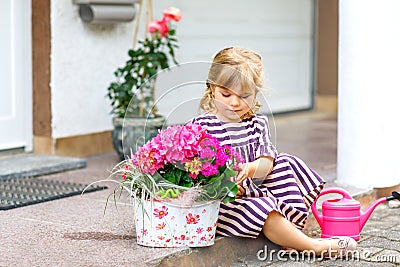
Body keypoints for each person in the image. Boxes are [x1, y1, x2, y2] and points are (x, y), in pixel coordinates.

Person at [190, 47, 357, 257]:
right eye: (226, 94)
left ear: (256, 93)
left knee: (286, 162)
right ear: (212, 88)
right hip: (227, 203)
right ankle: (313, 246)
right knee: (263, 209)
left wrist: (250, 168)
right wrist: (224, 184)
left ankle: (291, 230)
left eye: (243, 96)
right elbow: (195, 174)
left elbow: (267, 163)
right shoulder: (200, 128)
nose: (234, 102)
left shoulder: (257, 124)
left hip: (259, 189)